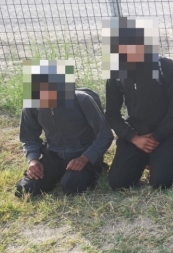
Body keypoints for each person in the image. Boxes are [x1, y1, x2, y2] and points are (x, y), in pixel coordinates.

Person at [17, 66, 113, 197]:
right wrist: (33, 160)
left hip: (83, 153)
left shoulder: (82, 100)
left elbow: (105, 135)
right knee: (24, 189)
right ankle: (57, 173)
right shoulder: (31, 105)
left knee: (71, 187)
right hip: (54, 155)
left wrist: (85, 158)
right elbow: (28, 138)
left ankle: (97, 168)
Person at [105, 40, 173, 190]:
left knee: (162, 182)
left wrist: (157, 136)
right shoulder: (116, 73)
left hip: (164, 135)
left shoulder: (164, 66)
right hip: (135, 137)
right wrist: (133, 138)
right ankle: (145, 159)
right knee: (119, 183)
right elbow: (111, 114)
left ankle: (172, 158)